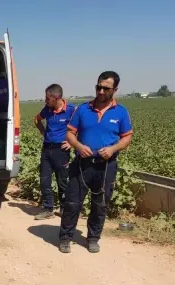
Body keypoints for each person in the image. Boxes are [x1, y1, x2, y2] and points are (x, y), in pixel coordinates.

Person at [58, 71, 133, 254]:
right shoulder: (83, 109)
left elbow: (126, 138)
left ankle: (93, 238)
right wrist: (78, 145)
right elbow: (70, 134)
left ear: (114, 89)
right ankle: (65, 237)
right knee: (72, 203)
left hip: (106, 166)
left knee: (100, 204)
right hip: (82, 164)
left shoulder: (121, 112)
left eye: (105, 88)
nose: (100, 91)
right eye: (98, 87)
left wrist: (113, 149)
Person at [33, 84, 76, 219]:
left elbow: (81, 126)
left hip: (61, 150)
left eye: (47, 98)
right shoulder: (47, 109)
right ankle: (48, 209)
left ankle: (64, 208)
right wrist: (44, 133)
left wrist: (71, 142)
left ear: (56, 97)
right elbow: (36, 120)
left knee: (62, 181)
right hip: (47, 149)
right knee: (44, 180)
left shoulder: (71, 110)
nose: (45, 100)